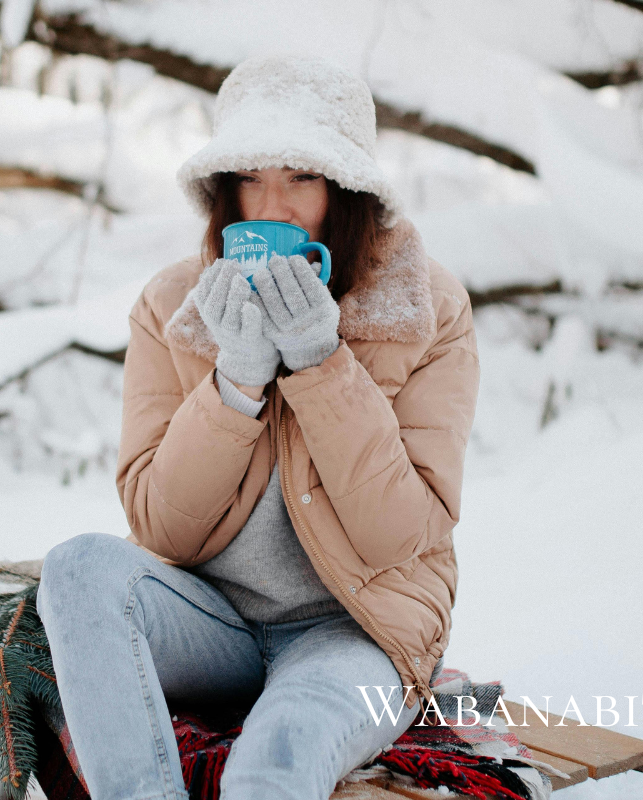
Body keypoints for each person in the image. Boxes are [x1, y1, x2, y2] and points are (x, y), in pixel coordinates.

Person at [36, 54, 480, 800]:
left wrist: (321, 363)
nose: (272, 208)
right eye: (251, 177)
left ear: (347, 189)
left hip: (356, 629)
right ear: (224, 190)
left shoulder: (425, 308)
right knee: (78, 566)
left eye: (301, 177)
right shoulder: (176, 305)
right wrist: (233, 380)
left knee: (273, 767)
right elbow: (161, 532)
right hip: (213, 624)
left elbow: (403, 533)